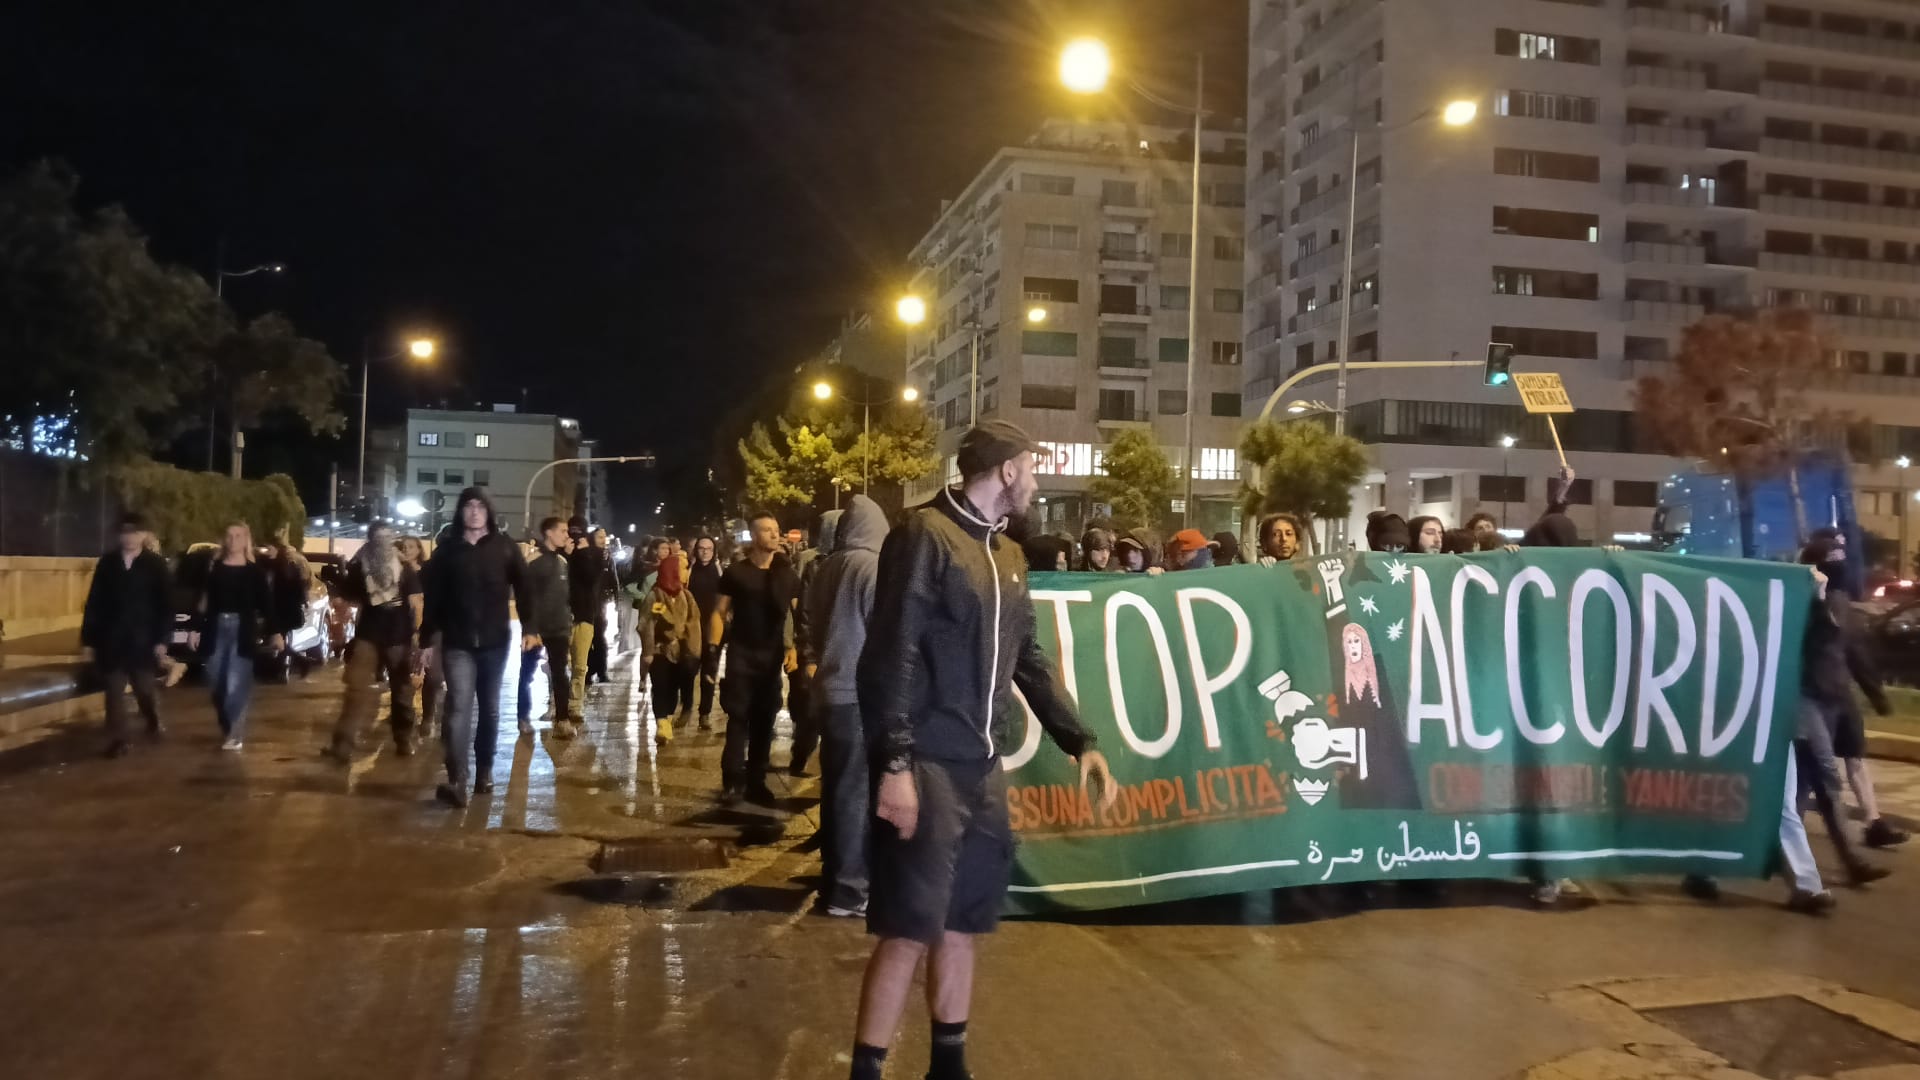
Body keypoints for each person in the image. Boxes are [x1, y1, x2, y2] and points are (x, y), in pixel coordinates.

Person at [847, 421, 1117, 1080]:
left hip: (982, 770)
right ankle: (866, 1071)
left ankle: (949, 1068)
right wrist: (895, 764)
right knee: (909, 930)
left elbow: (1028, 658)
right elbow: (890, 655)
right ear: (1006, 470)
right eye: (1032, 467)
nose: (1037, 482)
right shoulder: (924, 536)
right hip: (927, 764)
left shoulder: (1010, 555)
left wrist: (1079, 739)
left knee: (963, 923)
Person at [420, 488, 534, 808]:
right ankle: (457, 778)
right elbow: (434, 598)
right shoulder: (448, 551)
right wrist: (426, 640)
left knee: (490, 708)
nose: (474, 511)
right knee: (458, 707)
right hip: (457, 642)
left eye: (480, 506)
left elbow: (525, 587)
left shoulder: (505, 547)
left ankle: (484, 770)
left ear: (489, 511)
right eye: (468, 506)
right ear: (460, 511)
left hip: (495, 642)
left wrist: (531, 627)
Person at [806, 494, 886, 918]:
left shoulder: (827, 567)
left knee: (837, 789)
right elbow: (884, 631)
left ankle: (835, 878)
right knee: (855, 792)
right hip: (857, 693)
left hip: (830, 690)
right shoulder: (869, 567)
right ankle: (849, 891)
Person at [1804, 538, 1909, 850]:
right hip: (1811, 697)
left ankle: (1873, 822)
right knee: (1814, 769)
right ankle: (1788, 830)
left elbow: (1855, 653)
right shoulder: (1804, 602)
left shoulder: (1843, 605)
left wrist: (1876, 695)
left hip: (1839, 694)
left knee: (1854, 758)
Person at [710, 510, 800, 806]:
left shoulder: (786, 574)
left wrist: (795, 648)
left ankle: (756, 782)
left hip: (771, 659)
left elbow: (798, 614)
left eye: (777, 529)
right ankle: (731, 780)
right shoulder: (736, 573)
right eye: (767, 529)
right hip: (742, 655)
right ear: (753, 535)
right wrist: (712, 650)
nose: (775, 534)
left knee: (765, 721)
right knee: (738, 718)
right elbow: (719, 612)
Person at [326, 523, 422, 760]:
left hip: (398, 636)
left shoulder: (403, 567)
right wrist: (341, 610)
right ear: (370, 539)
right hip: (368, 635)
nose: (383, 542)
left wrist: (417, 634)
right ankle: (343, 745)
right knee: (356, 689)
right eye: (378, 537)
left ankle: (403, 738)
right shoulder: (360, 565)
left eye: (387, 537)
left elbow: (416, 601)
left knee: (401, 690)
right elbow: (346, 596)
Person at [81, 513, 173, 758]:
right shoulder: (108, 564)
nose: (129, 537)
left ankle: (152, 717)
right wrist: (88, 640)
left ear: (143, 535)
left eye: (134, 532)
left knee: (144, 689)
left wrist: (162, 639)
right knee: (114, 692)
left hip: (143, 641)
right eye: (125, 532)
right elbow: (94, 602)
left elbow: (166, 605)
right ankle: (118, 740)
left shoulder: (155, 565)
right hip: (111, 641)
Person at [190, 522, 279, 751]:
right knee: (215, 680)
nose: (233, 540)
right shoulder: (214, 569)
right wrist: (194, 628)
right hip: (216, 628)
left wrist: (275, 632)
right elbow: (204, 600)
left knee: (236, 682)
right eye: (229, 535)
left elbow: (266, 603)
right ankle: (228, 725)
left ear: (246, 540)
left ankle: (235, 734)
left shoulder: (254, 572)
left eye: (238, 536)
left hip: (242, 630)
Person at [517, 516, 575, 738]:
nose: (566, 535)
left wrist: (567, 621)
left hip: (559, 629)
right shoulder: (533, 561)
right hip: (537, 631)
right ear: (549, 533)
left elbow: (565, 596)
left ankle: (562, 720)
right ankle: (523, 717)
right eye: (562, 531)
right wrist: (530, 629)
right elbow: (525, 599)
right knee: (528, 674)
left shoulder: (562, 562)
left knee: (560, 674)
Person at [640, 552, 702, 746]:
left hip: (681, 652)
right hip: (660, 650)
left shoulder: (687, 596)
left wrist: (694, 651)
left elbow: (694, 623)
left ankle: (667, 719)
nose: (687, 572)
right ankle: (662, 724)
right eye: (683, 568)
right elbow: (646, 624)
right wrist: (648, 652)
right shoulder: (655, 596)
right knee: (660, 686)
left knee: (673, 687)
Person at [397, 536, 441, 738]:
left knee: (428, 675)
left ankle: (427, 717)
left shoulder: (427, 571)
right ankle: (404, 714)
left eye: (411, 547)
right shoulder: (397, 571)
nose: (407, 550)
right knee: (404, 674)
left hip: (423, 629)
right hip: (400, 629)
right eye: (403, 547)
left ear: (419, 549)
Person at [565, 517, 610, 711]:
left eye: (579, 530)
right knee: (559, 664)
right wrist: (566, 554)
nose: (575, 534)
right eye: (571, 530)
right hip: (562, 614)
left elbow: (592, 579)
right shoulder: (561, 550)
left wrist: (582, 553)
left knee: (580, 665)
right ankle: (557, 703)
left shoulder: (593, 553)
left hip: (585, 613)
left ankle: (575, 705)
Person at [264, 530, 315, 681]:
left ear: (276, 548)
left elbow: (294, 587)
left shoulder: (284, 565)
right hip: (284, 609)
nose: (267, 551)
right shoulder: (278, 564)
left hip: (284, 610)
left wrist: (302, 601)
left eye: (269, 548)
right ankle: (287, 667)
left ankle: (297, 663)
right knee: (279, 641)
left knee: (277, 641)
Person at [687, 536, 724, 731]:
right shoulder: (689, 570)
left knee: (709, 671)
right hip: (692, 628)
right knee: (688, 669)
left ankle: (705, 713)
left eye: (709, 548)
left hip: (713, 628)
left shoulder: (719, 570)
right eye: (702, 548)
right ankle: (686, 707)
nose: (705, 552)